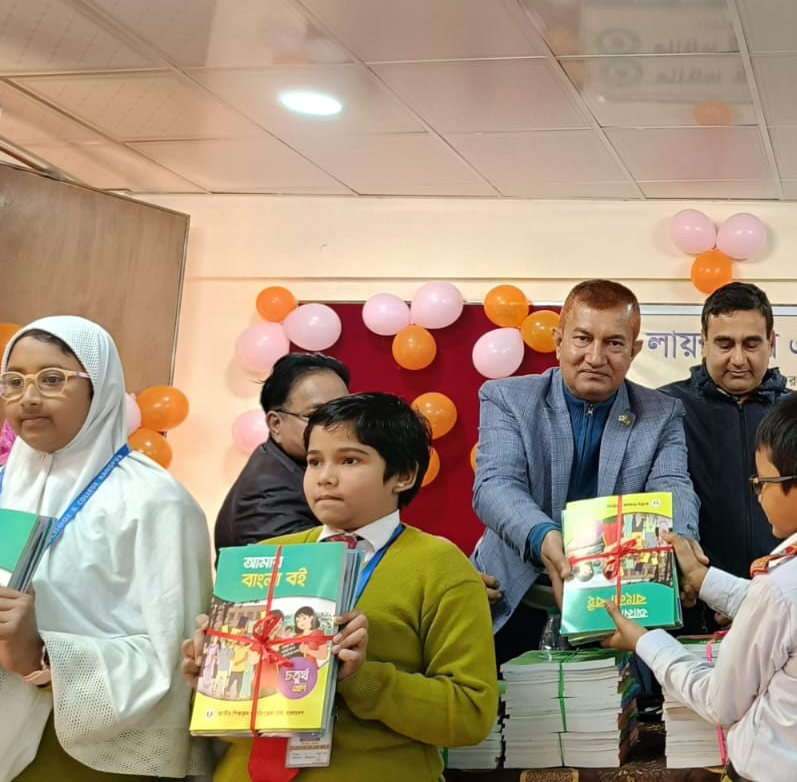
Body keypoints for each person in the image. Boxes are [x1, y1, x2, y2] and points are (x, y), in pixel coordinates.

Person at [599, 384, 797, 782]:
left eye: (763, 483)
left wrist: (645, 642)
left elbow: (719, 702)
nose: (759, 495)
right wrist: (703, 579)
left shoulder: (784, 586)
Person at [184, 392, 498, 781]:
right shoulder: (265, 558)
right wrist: (210, 675)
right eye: (314, 461)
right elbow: (225, 720)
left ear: (404, 475)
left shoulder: (440, 566)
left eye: (349, 460)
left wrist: (362, 678)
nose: (325, 477)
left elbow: (471, 714)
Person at [0, 317, 212, 781]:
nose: (27, 398)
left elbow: (174, 658)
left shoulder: (155, 502)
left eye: (51, 379)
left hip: (92, 756)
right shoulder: (3, 488)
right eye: (13, 381)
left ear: (100, 388)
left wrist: (40, 655)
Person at [472, 280, 697, 662]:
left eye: (614, 343)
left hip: (618, 600)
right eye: (582, 338)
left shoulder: (662, 413)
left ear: (634, 351)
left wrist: (683, 543)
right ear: (558, 341)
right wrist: (545, 538)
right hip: (513, 593)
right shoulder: (506, 397)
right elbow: (496, 485)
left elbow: (672, 485)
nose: (595, 357)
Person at [659, 282, 789, 631]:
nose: (739, 359)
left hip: (782, 612)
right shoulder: (665, 409)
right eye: (725, 344)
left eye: (752, 344)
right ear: (703, 342)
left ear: (771, 342)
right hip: (689, 615)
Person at [214, 353, 350, 549]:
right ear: (276, 424)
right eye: (316, 415)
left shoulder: (299, 466)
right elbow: (305, 563)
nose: (337, 425)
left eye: (344, 413)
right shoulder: (268, 493)